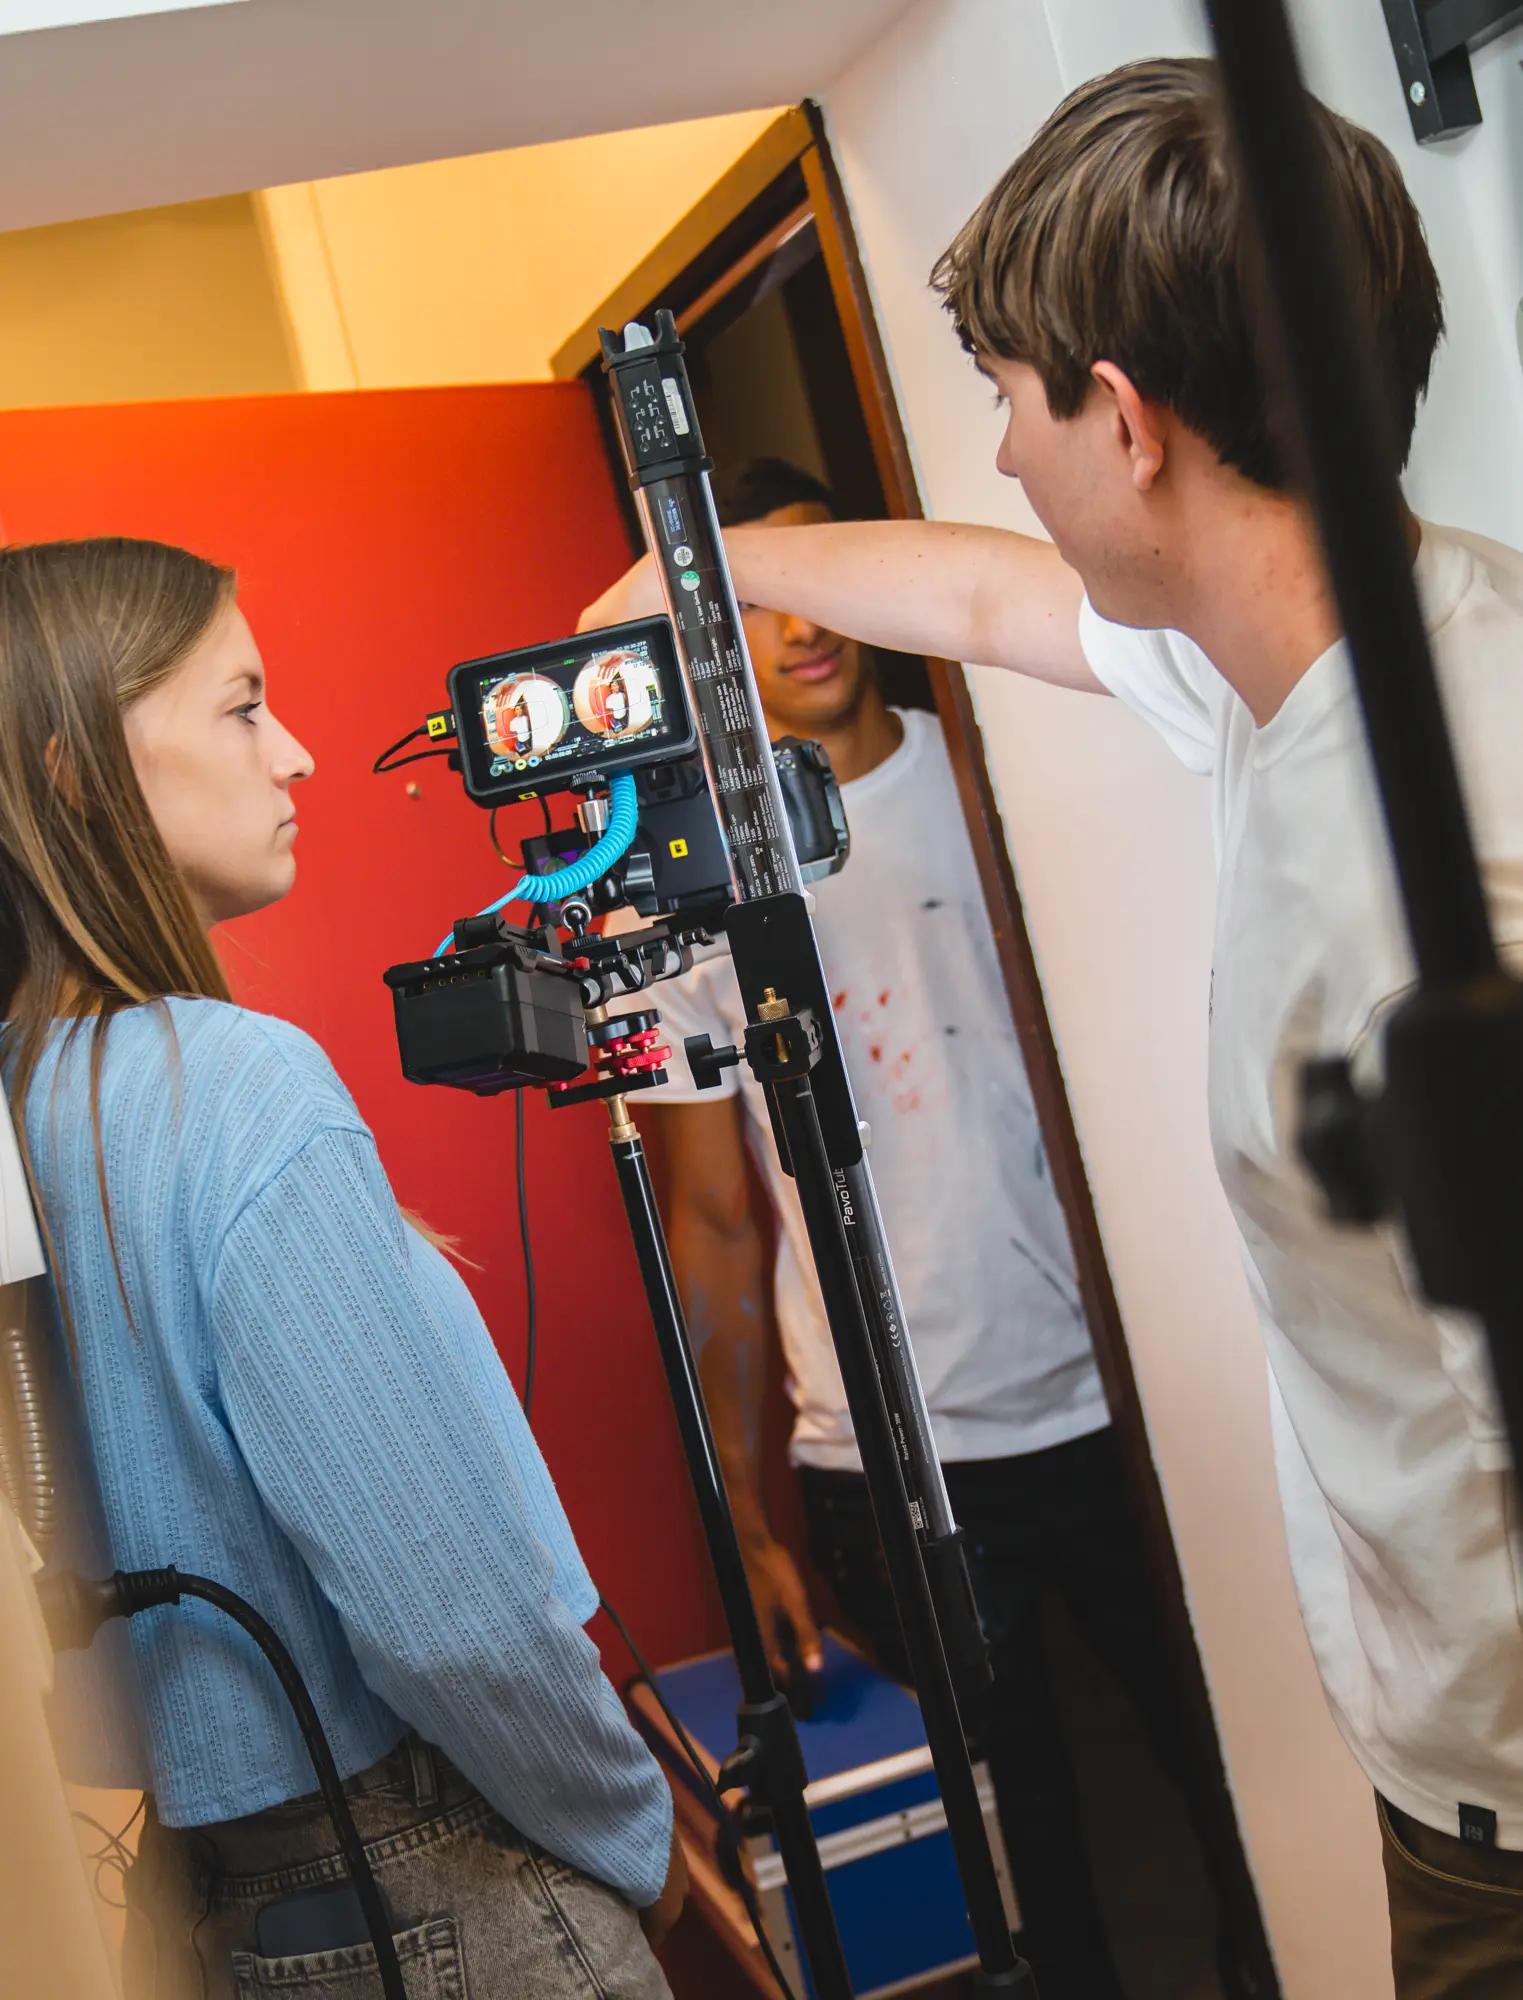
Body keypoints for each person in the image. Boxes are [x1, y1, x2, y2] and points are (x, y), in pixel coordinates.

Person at [580, 59, 1523, 2000]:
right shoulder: (1301, 664)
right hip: (1444, 1767)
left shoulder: (1444, 845)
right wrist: (705, 572)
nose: (995, 456)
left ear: (1125, 420)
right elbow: (979, 596)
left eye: (1008, 405)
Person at [0, 537, 685, 2000]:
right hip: (433, 1880)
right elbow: (454, 1618)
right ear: (74, 777)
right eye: (243, 709)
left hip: (220, 1910)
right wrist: (635, 1834)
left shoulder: (23, 1105)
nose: (297, 756)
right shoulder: (236, 1086)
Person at [639, 456, 1225, 2000]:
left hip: (1131, 1409)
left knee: (1234, 1797)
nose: (797, 625)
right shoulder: (691, 893)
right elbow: (709, 1216)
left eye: (815, 579)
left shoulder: (1006, 787)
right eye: (750, 596)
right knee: (1017, 1873)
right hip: (890, 1462)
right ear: (715, 635)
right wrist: (743, 1507)